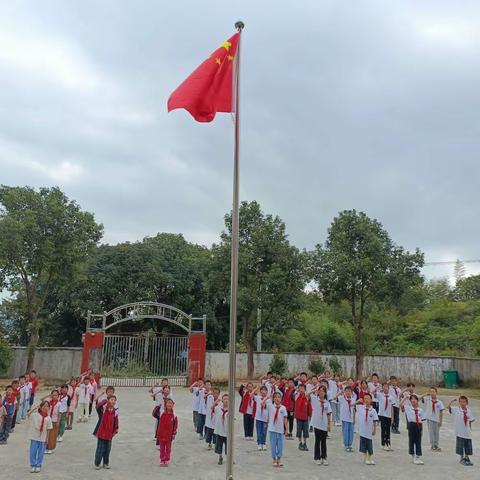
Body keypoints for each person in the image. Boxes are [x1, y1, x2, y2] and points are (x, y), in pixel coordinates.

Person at [448, 396, 475, 466]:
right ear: (459, 402)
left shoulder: (469, 411)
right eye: (461, 402)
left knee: (467, 446)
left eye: (464, 402)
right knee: (460, 446)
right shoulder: (456, 409)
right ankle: (461, 458)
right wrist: (452, 400)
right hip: (459, 432)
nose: (462, 403)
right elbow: (448, 407)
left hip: (467, 432)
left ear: (467, 403)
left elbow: (470, 421)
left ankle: (467, 458)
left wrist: (470, 430)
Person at [93, 395, 119, 470]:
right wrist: (104, 401)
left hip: (109, 434)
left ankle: (105, 463)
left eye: (114, 400)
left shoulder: (115, 411)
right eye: (111, 399)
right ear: (108, 401)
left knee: (107, 450)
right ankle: (97, 463)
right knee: (100, 449)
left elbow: (116, 422)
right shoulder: (103, 410)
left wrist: (115, 430)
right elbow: (97, 406)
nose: (113, 401)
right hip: (101, 433)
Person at [28, 400, 53, 473]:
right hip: (34, 437)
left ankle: (38, 465)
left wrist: (47, 439)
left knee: (41, 453)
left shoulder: (48, 418)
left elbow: (49, 429)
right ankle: (32, 465)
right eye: (44, 406)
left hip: (43, 438)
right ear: (41, 407)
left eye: (47, 406)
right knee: (33, 452)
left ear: (49, 408)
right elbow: (28, 414)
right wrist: (35, 408)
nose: (45, 407)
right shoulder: (35, 415)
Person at [309, 385, 331, 465]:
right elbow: (307, 394)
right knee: (317, 441)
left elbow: (328, 414)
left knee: (324, 441)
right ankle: (317, 457)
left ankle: (324, 457)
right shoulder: (315, 400)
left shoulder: (327, 403)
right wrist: (314, 389)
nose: (321, 392)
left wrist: (329, 424)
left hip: (324, 424)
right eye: (320, 391)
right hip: (317, 424)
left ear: (325, 393)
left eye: (323, 391)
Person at [401, 393, 425, 465]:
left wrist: (422, 430)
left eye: (415, 399)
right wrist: (405, 398)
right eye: (412, 399)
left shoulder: (420, 410)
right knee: (411, 440)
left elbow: (422, 420)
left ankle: (418, 456)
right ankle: (413, 456)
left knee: (418, 441)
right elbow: (400, 405)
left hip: (419, 425)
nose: (413, 401)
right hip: (411, 425)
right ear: (410, 401)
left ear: (417, 401)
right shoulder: (408, 408)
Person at [153, 398, 178, 466]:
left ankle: (167, 459)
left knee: (168, 448)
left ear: (173, 405)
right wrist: (158, 405)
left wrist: (174, 433)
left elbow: (175, 425)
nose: (170, 404)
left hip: (169, 435)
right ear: (165, 404)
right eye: (168, 403)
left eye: (171, 403)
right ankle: (162, 459)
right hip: (161, 434)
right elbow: (154, 413)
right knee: (162, 448)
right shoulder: (161, 413)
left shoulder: (174, 415)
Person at [356, 393, 378, 465]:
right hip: (362, 430)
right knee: (363, 445)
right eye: (365, 398)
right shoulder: (360, 407)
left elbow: (374, 421)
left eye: (368, 398)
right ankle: (365, 458)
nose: (366, 400)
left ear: (371, 400)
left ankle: (370, 457)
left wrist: (374, 429)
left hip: (369, 431)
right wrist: (357, 401)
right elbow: (351, 405)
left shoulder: (373, 410)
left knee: (369, 445)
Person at [420, 387, 444, 452]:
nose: (432, 393)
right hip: (430, 419)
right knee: (431, 432)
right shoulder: (428, 399)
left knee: (436, 433)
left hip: (437, 419)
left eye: (433, 392)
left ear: (436, 393)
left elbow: (441, 412)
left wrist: (440, 421)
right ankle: (432, 445)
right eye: (431, 392)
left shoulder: (439, 402)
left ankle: (436, 445)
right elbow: (419, 398)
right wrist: (426, 394)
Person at [267, 391, 287, 468]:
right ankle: (274, 459)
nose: (277, 399)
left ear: (281, 399)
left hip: (280, 429)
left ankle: (279, 459)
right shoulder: (271, 406)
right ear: (273, 399)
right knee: (273, 445)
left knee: (280, 445)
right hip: (272, 429)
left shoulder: (283, 408)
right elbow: (266, 400)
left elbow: (285, 419)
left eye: (279, 397)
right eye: (275, 397)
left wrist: (286, 429)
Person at [335, 386, 356, 452]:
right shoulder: (342, 398)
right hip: (345, 418)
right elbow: (335, 398)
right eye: (346, 391)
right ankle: (346, 445)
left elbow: (354, 409)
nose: (348, 392)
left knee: (351, 432)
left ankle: (350, 445)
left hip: (351, 418)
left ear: (351, 392)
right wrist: (340, 392)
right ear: (344, 392)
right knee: (345, 432)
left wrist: (354, 418)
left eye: (349, 391)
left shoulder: (353, 399)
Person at [376, 383, 393, 451]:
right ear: (382, 388)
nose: (385, 388)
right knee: (383, 429)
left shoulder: (391, 397)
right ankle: (383, 443)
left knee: (388, 430)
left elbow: (392, 407)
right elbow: (372, 392)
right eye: (384, 387)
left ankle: (388, 443)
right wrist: (377, 387)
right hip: (382, 415)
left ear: (388, 388)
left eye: (387, 387)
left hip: (389, 415)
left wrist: (392, 417)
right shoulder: (380, 395)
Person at [213, 394, 229, 466]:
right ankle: (220, 457)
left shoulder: (231, 410)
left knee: (228, 446)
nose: (226, 400)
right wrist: (215, 402)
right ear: (222, 400)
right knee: (219, 445)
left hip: (227, 431)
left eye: (227, 399)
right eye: (224, 399)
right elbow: (211, 408)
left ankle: (229, 458)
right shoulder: (218, 408)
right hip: (219, 431)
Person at [294, 383, 311, 451]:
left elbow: (309, 406)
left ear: (305, 390)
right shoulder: (297, 396)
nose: (301, 390)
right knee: (299, 430)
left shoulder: (307, 396)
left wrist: (309, 415)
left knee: (305, 431)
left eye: (302, 389)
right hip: (299, 417)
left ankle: (305, 443)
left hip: (305, 417)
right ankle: (300, 443)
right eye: (300, 388)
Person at [253, 385, 269, 451]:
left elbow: (270, 409)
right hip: (258, 418)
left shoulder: (269, 400)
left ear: (267, 392)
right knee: (259, 432)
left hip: (265, 419)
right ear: (260, 391)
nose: (263, 392)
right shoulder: (257, 398)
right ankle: (259, 443)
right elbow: (251, 395)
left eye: (265, 391)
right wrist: (256, 388)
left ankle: (264, 443)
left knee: (264, 432)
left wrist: (269, 418)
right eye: (262, 391)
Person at [45, 389, 61, 454]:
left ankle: (50, 448)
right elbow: (41, 401)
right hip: (48, 420)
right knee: (46, 435)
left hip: (54, 420)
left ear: (58, 396)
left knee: (52, 435)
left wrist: (58, 421)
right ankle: (45, 447)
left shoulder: (59, 403)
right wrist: (48, 396)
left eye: (56, 395)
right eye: (53, 395)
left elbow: (60, 413)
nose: (54, 396)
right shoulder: (49, 402)